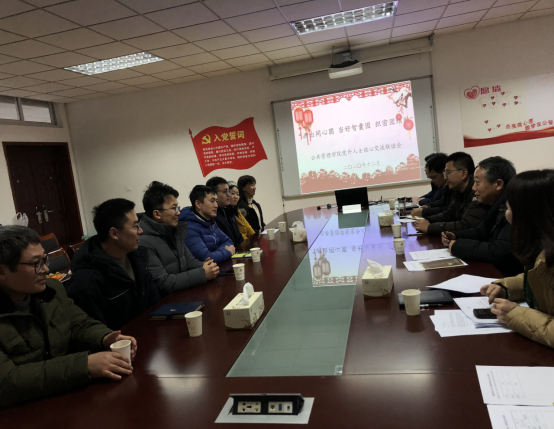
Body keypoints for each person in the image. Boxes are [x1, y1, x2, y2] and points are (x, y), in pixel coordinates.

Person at [0, 226, 137, 409]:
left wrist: (105, 337)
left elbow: (79, 324)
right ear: (2, 272)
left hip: (63, 399)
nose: (46, 269)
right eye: (35, 264)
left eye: (44, 260)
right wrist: (84, 365)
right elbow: (6, 382)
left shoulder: (51, 289)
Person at [480, 170, 554, 348]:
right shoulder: (542, 246)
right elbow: (540, 279)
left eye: (510, 207)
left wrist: (514, 314)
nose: (506, 214)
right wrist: (506, 287)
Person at [67, 199, 160, 330]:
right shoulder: (86, 280)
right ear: (114, 233)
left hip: (148, 332)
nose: (141, 231)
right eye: (135, 226)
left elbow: (154, 302)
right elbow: (96, 332)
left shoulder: (137, 257)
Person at [441, 157, 522, 277]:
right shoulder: (494, 204)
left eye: (477, 183)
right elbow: (480, 232)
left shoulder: (511, 209)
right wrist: (456, 235)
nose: (473, 188)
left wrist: (457, 246)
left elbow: (499, 252)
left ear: (498, 184)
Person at [139, 181, 219, 297]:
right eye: (174, 208)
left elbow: (189, 261)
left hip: (184, 295)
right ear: (157, 214)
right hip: (166, 302)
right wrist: (202, 273)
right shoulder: (144, 242)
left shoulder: (174, 231)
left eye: (178, 207)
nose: (178, 213)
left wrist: (206, 266)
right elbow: (163, 283)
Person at [415, 152, 489, 235]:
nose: (445, 177)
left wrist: (430, 227)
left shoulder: (476, 192)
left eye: (448, 172)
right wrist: (428, 220)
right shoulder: (458, 191)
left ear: (463, 173)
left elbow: (467, 224)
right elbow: (450, 214)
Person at [179, 185, 236, 264]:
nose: (216, 205)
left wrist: (216, 254)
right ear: (198, 204)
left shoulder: (210, 222)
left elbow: (228, 241)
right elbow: (206, 258)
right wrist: (227, 252)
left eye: (216, 201)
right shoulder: (189, 228)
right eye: (212, 201)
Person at [206, 176, 244, 247]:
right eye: (224, 192)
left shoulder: (230, 211)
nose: (228, 195)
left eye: (229, 191)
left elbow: (238, 237)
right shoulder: (213, 216)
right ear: (213, 194)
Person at [411, 154, 450, 218]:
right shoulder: (446, 186)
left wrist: (425, 212)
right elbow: (442, 201)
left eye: (433, 177)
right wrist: (428, 205)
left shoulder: (453, 187)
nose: (425, 169)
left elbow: (449, 210)